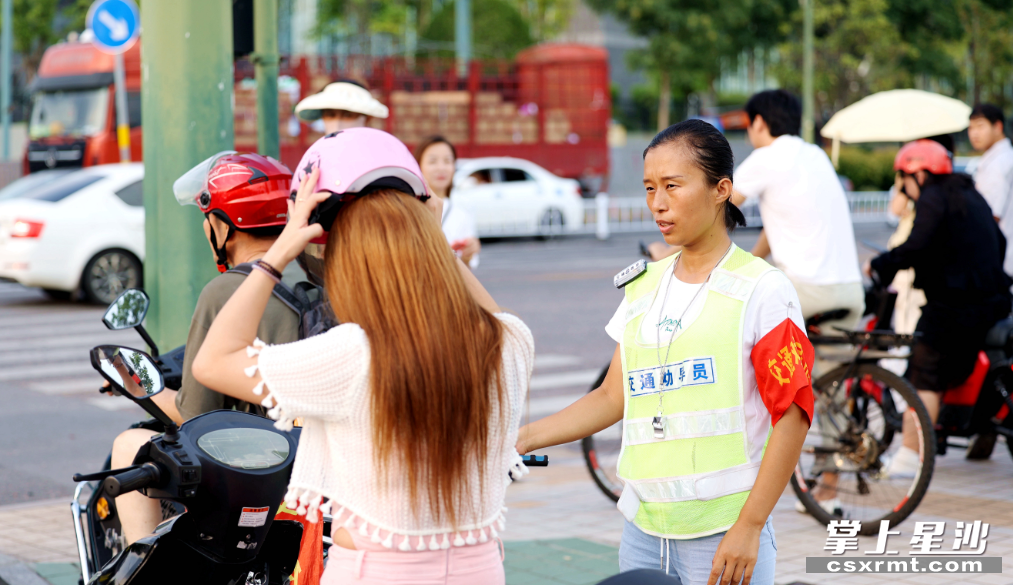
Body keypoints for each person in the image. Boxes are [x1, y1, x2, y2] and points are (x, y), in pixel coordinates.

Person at [191, 127, 533, 585]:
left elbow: (213, 361)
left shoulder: (351, 357)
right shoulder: (509, 342)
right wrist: (434, 237)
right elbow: (485, 311)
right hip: (483, 571)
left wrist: (281, 249)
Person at [517, 120, 812, 584]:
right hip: (643, 532)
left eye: (673, 186)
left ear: (722, 190)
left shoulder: (764, 289)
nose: (658, 203)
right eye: (650, 188)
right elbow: (611, 397)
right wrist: (522, 439)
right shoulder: (643, 286)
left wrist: (750, 526)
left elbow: (793, 414)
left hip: (723, 533)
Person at [108, 152, 302, 544]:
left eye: (207, 219)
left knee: (129, 444)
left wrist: (143, 388)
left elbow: (195, 415)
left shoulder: (227, 290)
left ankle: (139, 564)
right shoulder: (321, 273)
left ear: (222, 224)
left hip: (263, 461)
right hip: (318, 455)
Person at [868, 139, 1012, 476]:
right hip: (993, 301)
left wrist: (880, 264)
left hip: (955, 307)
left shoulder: (934, 197)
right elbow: (999, 239)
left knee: (925, 375)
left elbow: (917, 244)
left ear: (917, 173)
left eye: (903, 179)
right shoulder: (968, 193)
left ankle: (908, 458)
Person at [731, 90, 864, 333]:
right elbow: (782, 228)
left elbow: (713, 211)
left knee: (734, 323)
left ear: (759, 122)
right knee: (823, 368)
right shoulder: (816, 154)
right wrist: (749, 262)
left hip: (807, 292)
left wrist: (668, 251)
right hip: (852, 290)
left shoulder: (765, 158)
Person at [414, 135, 481, 268]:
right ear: (418, 165)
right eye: (432, 161)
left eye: (447, 161)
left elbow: (467, 268)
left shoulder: (462, 212)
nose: (441, 168)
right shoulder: (409, 209)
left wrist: (468, 254)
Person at [968, 103, 1013, 276]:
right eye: (971, 128)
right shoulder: (1002, 158)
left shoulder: (999, 165)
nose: (974, 133)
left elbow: (989, 216)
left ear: (998, 126)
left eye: (980, 126)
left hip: (1001, 261)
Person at [294, 79, 388, 134]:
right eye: (330, 115)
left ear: (367, 118)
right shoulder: (316, 156)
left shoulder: (379, 152)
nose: (337, 124)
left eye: (347, 115)